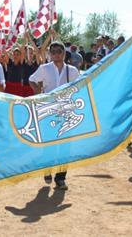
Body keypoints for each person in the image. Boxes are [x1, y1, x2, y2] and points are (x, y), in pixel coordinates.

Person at [29, 41, 80, 190]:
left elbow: (78, 88)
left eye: (59, 51)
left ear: (64, 53)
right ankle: (47, 168)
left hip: (66, 112)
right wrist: (38, 91)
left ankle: (61, 178)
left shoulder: (73, 71)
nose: (56, 54)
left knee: (65, 147)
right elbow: (31, 79)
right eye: (53, 51)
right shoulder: (44, 68)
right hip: (48, 111)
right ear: (50, 54)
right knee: (48, 144)